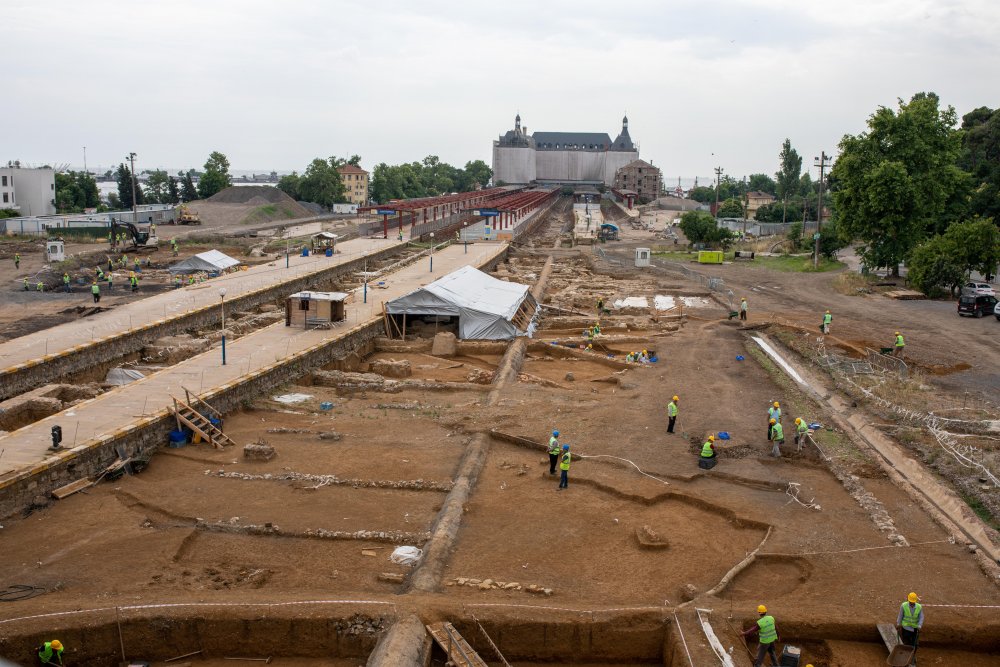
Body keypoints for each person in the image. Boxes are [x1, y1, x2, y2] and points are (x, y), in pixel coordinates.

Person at [896, 591, 923, 660]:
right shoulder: (903, 605)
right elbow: (900, 615)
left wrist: (919, 625)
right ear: (908, 600)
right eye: (911, 602)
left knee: (915, 644)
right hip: (906, 628)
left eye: (913, 602)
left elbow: (921, 617)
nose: (912, 603)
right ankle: (906, 656)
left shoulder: (919, 607)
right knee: (907, 643)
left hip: (915, 628)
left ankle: (912, 656)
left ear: (915, 601)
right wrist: (898, 624)